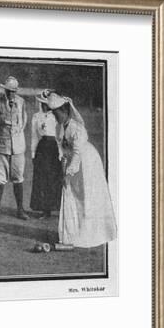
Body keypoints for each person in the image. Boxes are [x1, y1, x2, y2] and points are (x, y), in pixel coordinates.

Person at [45, 91, 117, 248]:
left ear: (64, 111)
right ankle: (73, 232)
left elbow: (77, 153)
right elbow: (63, 152)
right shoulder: (59, 128)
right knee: (73, 195)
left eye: (57, 113)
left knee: (87, 195)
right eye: (53, 113)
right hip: (73, 162)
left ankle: (91, 233)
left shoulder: (77, 129)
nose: (55, 116)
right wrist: (64, 170)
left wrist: (69, 174)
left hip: (88, 162)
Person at [0, 75, 29, 220]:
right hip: (1, 147)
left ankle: (20, 209)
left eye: (14, 91)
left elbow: (23, 122)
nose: (11, 94)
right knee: (0, 179)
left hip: (18, 147)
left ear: (16, 91)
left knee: (18, 178)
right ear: (4, 90)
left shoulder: (22, 102)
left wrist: (17, 136)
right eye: (9, 90)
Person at [29, 90, 63, 218]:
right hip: (42, 148)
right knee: (42, 179)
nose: (44, 106)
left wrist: (61, 153)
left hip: (53, 148)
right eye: (43, 103)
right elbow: (34, 136)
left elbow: (60, 135)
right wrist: (33, 153)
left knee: (53, 178)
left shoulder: (56, 116)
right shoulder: (36, 117)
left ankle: (56, 208)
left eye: (46, 103)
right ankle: (44, 210)